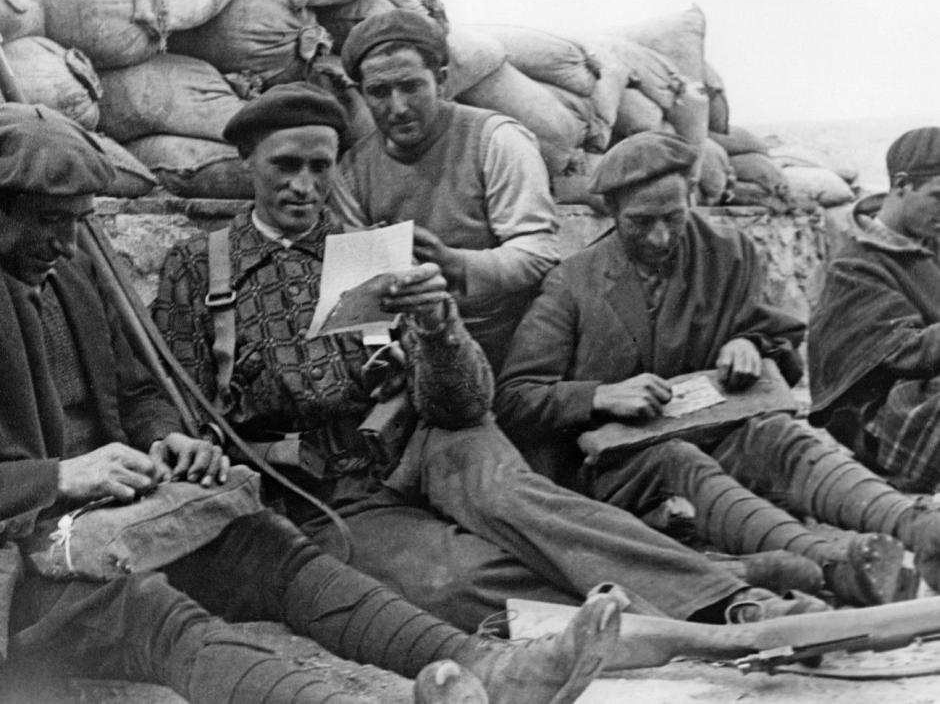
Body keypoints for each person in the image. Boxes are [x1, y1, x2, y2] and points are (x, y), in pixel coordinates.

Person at [152, 82, 827, 647]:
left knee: (518, 500)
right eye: (285, 166)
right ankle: (688, 595)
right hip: (318, 487)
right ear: (248, 161)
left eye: (321, 167)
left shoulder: (369, 253)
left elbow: (465, 405)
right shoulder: (200, 268)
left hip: (425, 442)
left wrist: (439, 328)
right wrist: (194, 447)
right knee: (452, 581)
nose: (304, 186)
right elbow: (171, 399)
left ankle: (735, 606)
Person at [0, 101, 631, 704]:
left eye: (78, 220)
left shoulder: (73, 276)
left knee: (269, 549)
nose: (69, 243)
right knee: (155, 616)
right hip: (29, 548)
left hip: (124, 516)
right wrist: (58, 476)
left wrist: (167, 437)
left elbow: (136, 390)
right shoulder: (196, 266)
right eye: (51, 221)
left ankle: (491, 668)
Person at [495, 130, 940, 606]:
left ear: (691, 197)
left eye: (673, 217)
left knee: (777, 437)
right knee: (680, 463)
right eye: (640, 223)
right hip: (618, 464)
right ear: (611, 211)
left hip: (717, 430)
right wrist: (599, 396)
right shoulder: (572, 284)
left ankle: (918, 526)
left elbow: (778, 338)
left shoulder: (726, 253)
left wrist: (750, 345)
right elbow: (515, 398)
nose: (660, 237)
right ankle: (837, 565)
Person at [337, 9, 560, 372]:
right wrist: (381, 357)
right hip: (413, 348)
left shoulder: (496, 140)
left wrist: (455, 263)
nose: (398, 107)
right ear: (361, 94)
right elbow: (361, 302)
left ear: (440, 81)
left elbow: (539, 252)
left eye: (411, 86)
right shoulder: (351, 171)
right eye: (378, 92)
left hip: (507, 339)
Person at [810, 127, 940, 502]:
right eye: (938, 197)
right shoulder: (855, 265)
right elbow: (904, 353)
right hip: (880, 417)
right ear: (901, 185)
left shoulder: (930, 242)